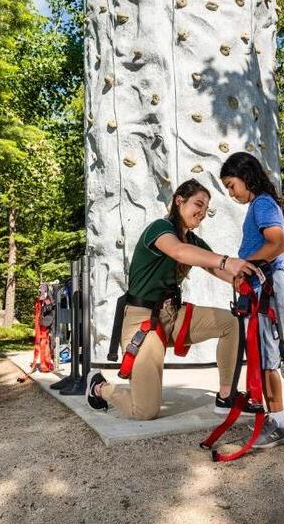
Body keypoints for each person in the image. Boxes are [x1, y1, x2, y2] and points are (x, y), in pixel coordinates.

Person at [87, 179, 259, 420]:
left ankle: (226, 397)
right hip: (142, 321)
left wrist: (242, 282)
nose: (202, 213)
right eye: (198, 204)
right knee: (144, 412)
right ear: (179, 200)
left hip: (174, 315)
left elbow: (213, 266)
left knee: (230, 323)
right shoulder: (160, 228)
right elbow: (180, 252)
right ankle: (99, 387)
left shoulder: (193, 241)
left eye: (206, 208)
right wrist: (226, 261)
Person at [220, 152, 284, 449]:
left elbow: (277, 244)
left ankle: (280, 424)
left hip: (268, 288)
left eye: (231, 185)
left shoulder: (262, 204)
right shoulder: (259, 205)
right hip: (261, 288)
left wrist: (243, 264)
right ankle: (275, 419)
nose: (231, 193)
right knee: (261, 356)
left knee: (267, 358)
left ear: (246, 176)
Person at [30, 283, 55, 373]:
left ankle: (46, 364)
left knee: (45, 344)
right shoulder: (42, 298)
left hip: (46, 325)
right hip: (42, 325)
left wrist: (44, 301)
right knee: (43, 344)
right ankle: (45, 364)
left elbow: (49, 308)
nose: (40, 290)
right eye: (40, 289)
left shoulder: (48, 298)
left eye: (42, 289)